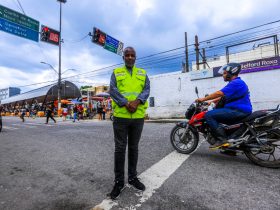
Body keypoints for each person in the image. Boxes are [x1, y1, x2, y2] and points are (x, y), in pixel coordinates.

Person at [108, 46, 150, 199]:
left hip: (138, 116)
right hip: (121, 116)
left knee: (134, 148)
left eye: (133, 55)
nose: (130, 57)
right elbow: (112, 90)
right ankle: (119, 182)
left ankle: (132, 178)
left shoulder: (143, 73)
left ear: (135, 57)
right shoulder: (116, 73)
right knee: (120, 149)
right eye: (127, 55)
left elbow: (146, 90)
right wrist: (126, 103)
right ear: (123, 57)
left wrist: (137, 102)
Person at [196, 63, 252, 149]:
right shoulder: (236, 83)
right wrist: (210, 102)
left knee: (209, 115)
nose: (223, 75)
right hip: (238, 110)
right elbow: (224, 96)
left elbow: (219, 93)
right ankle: (231, 148)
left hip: (238, 110)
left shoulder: (236, 82)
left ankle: (222, 140)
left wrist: (203, 99)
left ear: (231, 73)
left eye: (225, 73)